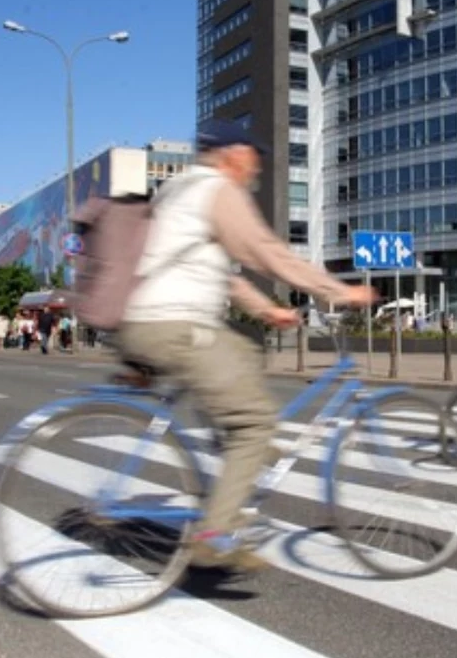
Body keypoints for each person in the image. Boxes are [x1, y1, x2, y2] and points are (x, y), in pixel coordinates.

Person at [117, 118, 377, 572]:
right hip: (177, 325)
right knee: (255, 423)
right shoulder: (217, 190)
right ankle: (216, 534)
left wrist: (266, 311)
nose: (255, 166)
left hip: (144, 320)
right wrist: (339, 291)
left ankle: (233, 440)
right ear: (233, 153)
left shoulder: (177, 191)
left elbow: (220, 271)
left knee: (244, 351)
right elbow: (266, 251)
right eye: (252, 155)